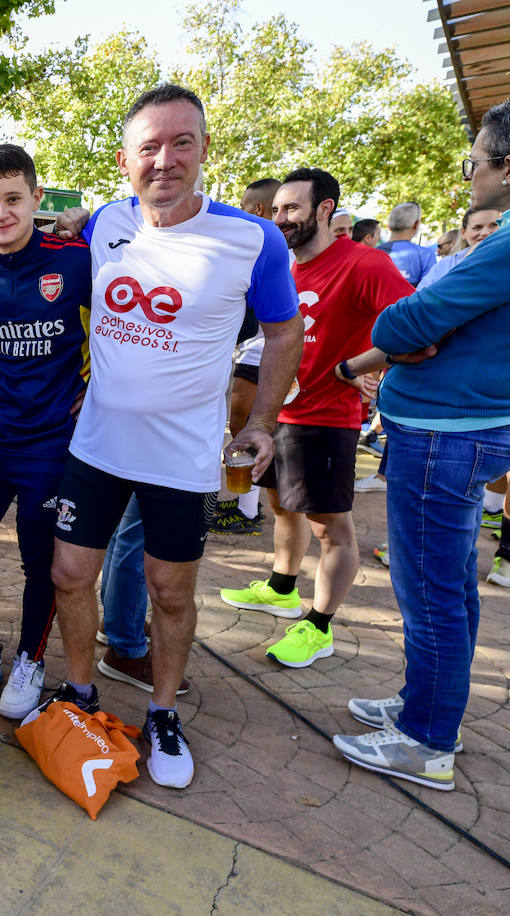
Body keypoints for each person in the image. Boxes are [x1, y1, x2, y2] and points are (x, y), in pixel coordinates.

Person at [46, 84, 302, 789]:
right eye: (149, 147)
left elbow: (285, 331)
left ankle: (161, 711)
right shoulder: (103, 222)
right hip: (97, 444)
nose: (165, 160)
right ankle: (78, 692)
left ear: (204, 150)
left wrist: (261, 422)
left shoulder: (252, 239)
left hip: (183, 457)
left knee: (170, 592)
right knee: (70, 576)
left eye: (181, 142)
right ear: (125, 159)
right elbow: (40, 244)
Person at [333, 100, 510, 790]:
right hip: (461, 429)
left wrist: (389, 339)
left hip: (445, 434)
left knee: (431, 591)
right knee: (452, 586)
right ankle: (430, 708)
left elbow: (411, 316)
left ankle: (425, 740)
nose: (469, 178)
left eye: (474, 163)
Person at [219, 169, 411, 668]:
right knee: (282, 507)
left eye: (292, 209)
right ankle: (283, 587)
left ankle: (320, 625)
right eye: (277, 209)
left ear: (324, 209)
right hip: (277, 410)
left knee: (331, 528)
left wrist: (367, 369)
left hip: (327, 416)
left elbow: (413, 322)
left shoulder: (364, 264)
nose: (280, 218)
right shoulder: (284, 267)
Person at [0, 143, 91, 720]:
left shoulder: (79, 259)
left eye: (12, 200)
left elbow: (122, 321)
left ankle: (31, 659)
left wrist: (95, 386)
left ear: (36, 198)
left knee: (41, 561)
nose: (1, 213)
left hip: (52, 442)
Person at [212, 177, 282, 537]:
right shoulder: (250, 246)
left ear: (256, 208)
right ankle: (244, 504)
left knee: (245, 429)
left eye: (243, 206)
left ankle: (247, 508)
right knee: (240, 427)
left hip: (259, 356)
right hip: (250, 354)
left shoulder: (266, 246)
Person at [416, 207, 500, 289]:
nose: (485, 233)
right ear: (463, 233)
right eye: (477, 227)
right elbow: (420, 298)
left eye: (494, 225)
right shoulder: (445, 265)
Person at [378, 202, 436, 285]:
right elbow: (428, 292)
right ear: (416, 225)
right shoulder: (425, 255)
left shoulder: (373, 252)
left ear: (388, 225)